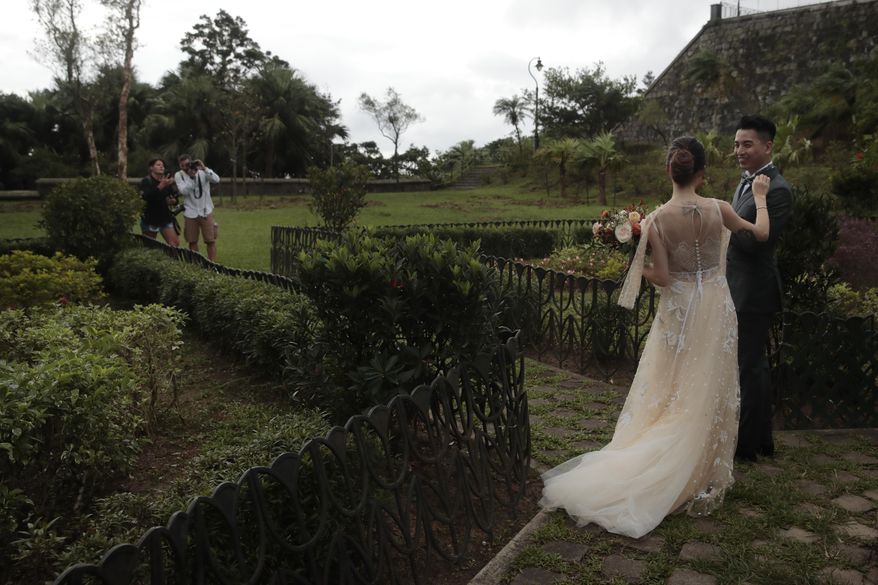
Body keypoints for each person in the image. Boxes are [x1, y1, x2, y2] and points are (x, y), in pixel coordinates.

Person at [539, 136, 771, 539]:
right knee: (708, 383)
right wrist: (762, 196)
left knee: (672, 385)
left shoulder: (656, 220)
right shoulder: (720, 208)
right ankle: (697, 467)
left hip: (679, 311)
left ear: (669, 171)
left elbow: (662, 277)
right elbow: (761, 234)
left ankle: (664, 459)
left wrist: (639, 264)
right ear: (701, 173)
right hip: (716, 306)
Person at [727, 115, 793, 462]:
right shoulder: (747, 183)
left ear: (768, 146)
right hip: (738, 286)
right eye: (737, 143)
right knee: (754, 367)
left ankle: (747, 446)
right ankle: (761, 438)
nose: (739, 150)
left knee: (748, 368)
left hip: (754, 291)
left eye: (747, 144)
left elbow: (755, 244)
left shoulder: (777, 190)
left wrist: (725, 221)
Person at [174, 153, 220, 262]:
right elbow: (184, 191)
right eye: (182, 166)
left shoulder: (202, 172)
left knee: (210, 240)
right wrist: (191, 178)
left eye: (187, 164)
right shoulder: (179, 175)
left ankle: (212, 265)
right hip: (190, 212)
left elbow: (216, 180)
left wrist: (204, 168)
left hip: (205, 210)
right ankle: (197, 264)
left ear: (191, 162)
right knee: (192, 241)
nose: (185, 168)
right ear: (180, 166)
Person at [139, 158, 179, 246]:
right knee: (149, 246)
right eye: (158, 165)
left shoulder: (166, 181)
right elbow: (146, 197)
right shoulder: (146, 181)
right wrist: (160, 186)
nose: (161, 167)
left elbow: (174, 197)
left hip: (165, 218)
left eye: (163, 165)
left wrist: (173, 201)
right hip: (150, 218)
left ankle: (170, 260)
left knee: (175, 244)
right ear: (151, 168)